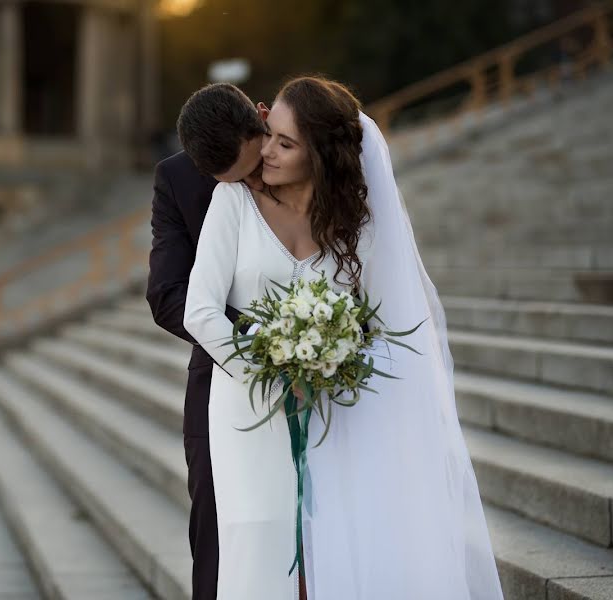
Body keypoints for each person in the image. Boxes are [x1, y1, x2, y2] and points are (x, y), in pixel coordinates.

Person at [183, 76, 504, 599]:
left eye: (285, 143)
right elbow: (199, 311)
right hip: (250, 410)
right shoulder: (232, 201)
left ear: (322, 155)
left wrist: (335, 362)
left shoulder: (358, 219)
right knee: (260, 547)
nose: (266, 150)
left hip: (338, 410)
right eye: (270, 134)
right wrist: (273, 369)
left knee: (337, 548)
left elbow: (381, 321)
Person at [145, 83, 268, 599]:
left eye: (252, 169)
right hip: (221, 377)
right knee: (218, 540)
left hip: (320, 381)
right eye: (228, 181)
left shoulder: (300, 151)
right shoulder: (176, 179)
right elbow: (167, 295)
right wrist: (264, 343)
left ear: (261, 121)